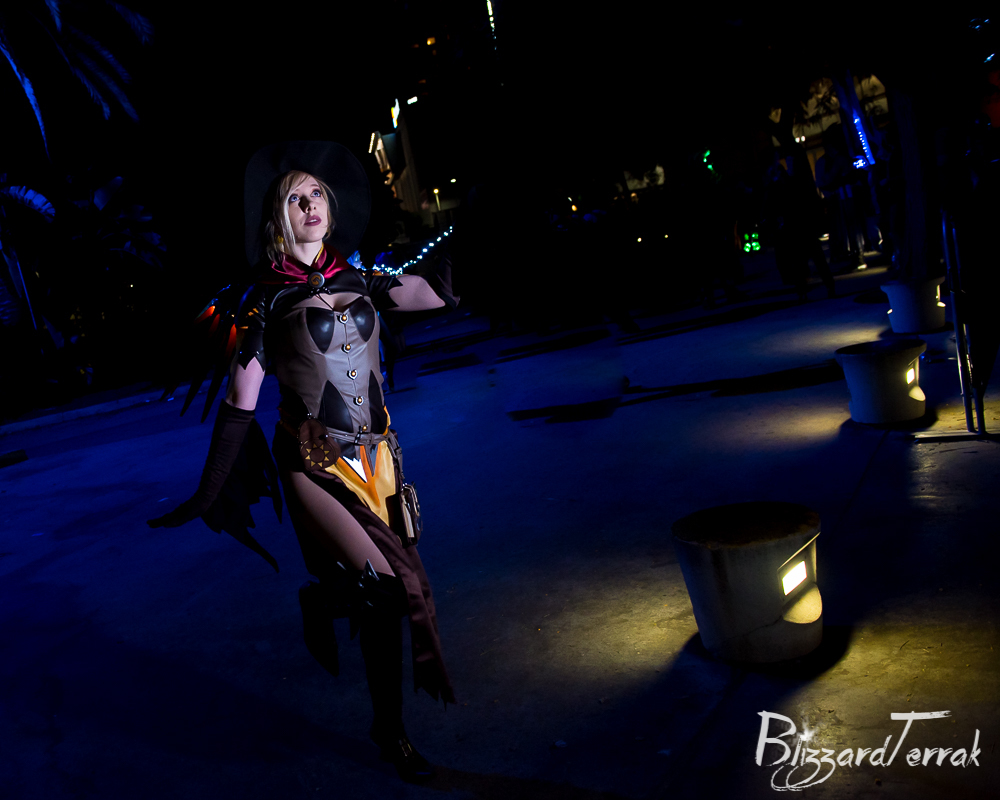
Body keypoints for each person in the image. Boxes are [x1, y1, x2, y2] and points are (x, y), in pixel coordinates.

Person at [148, 141, 457, 782]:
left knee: (379, 596)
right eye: (295, 198)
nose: (310, 204)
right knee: (389, 586)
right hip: (313, 461)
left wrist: (467, 230)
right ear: (277, 218)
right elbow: (241, 403)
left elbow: (433, 296)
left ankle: (344, 625)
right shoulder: (264, 301)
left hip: (380, 459)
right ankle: (392, 730)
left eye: (317, 193)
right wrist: (205, 495)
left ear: (332, 208)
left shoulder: (359, 278)